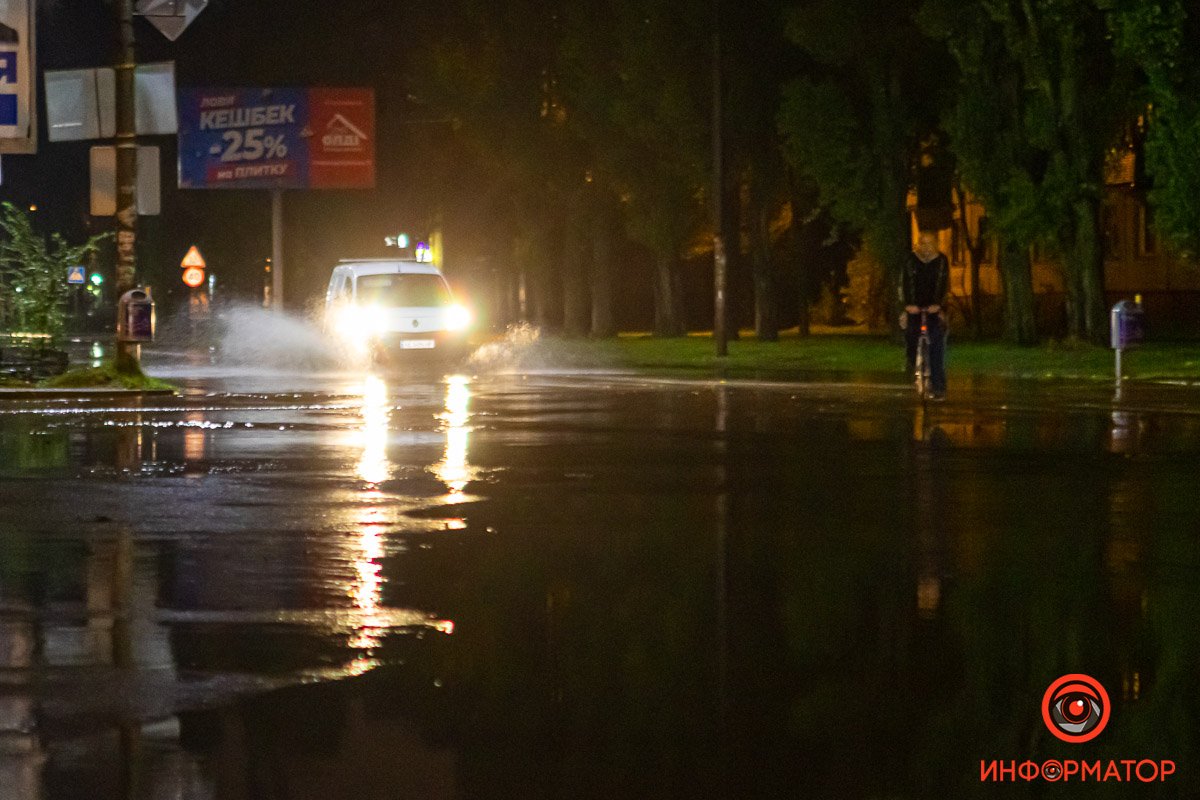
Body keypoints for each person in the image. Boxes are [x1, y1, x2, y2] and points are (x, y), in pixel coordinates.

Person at [902, 231, 950, 400]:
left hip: (934, 307)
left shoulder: (942, 261)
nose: (927, 248)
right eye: (923, 243)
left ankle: (938, 387)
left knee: (937, 346)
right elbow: (907, 283)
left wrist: (939, 305)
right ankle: (912, 364)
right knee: (911, 337)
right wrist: (908, 305)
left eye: (930, 244)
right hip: (914, 306)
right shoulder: (911, 260)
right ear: (919, 244)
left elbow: (943, 284)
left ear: (936, 244)